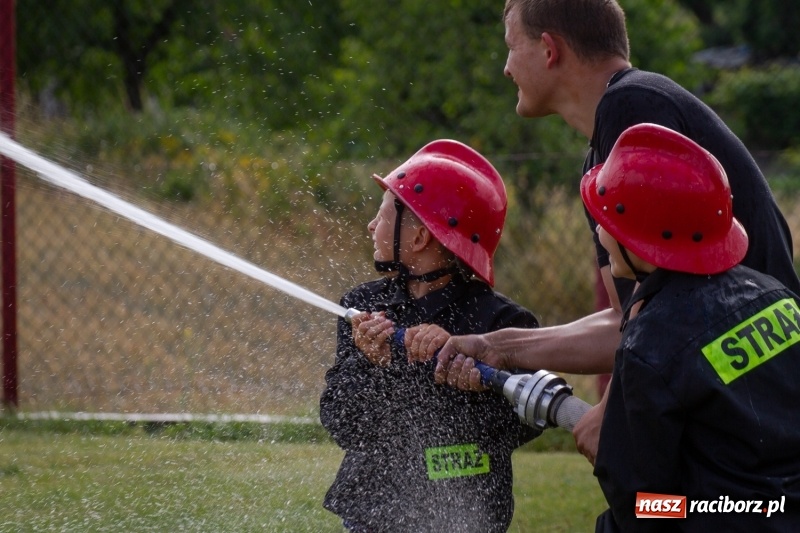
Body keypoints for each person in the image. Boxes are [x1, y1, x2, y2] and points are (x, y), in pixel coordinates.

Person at [433, 0, 800, 464]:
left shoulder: (633, 106)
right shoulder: (605, 155)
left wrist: (612, 408)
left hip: (757, 409)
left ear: (549, 49)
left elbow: (662, 325)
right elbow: (627, 325)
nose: (506, 68)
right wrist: (495, 346)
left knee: (659, 511)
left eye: (510, 47)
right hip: (735, 400)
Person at [582, 122, 800, 530]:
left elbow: (642, 504)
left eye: (607, 220)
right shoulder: (775, 294)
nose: (599, 229)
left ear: (643, 239)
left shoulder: (649, 346)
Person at [319, 139, 540, 533]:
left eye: (382, 215)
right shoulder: (363, 308)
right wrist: (377, 366)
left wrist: (470, 386)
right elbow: (341, 421)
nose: (372, 226)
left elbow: (526, 422)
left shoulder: (502, 324)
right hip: (373, 513)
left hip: (464, 516)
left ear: (420, 237)